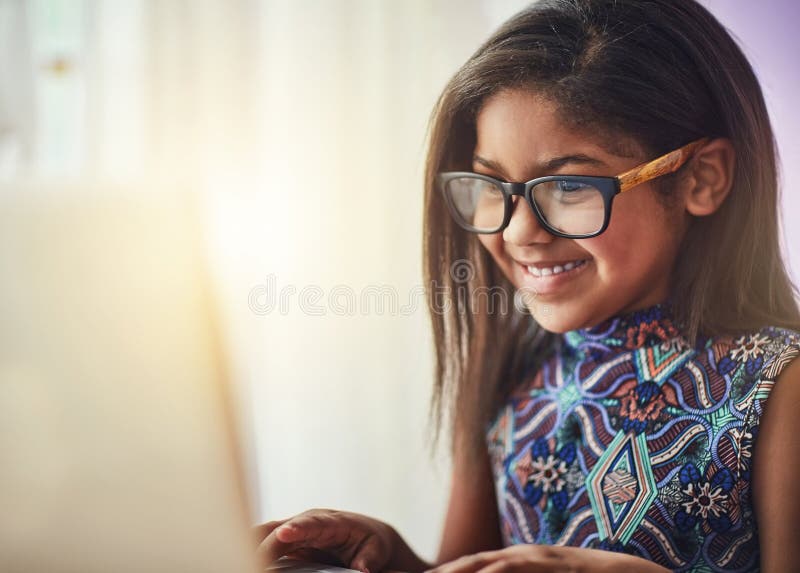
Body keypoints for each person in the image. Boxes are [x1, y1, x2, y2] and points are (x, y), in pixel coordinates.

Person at [256, 0, 800, 571]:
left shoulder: (777, 389)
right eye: (491, 185)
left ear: (702, 179)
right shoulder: (507, 370)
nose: (519, 233)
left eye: (568, 187)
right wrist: (396, 561)